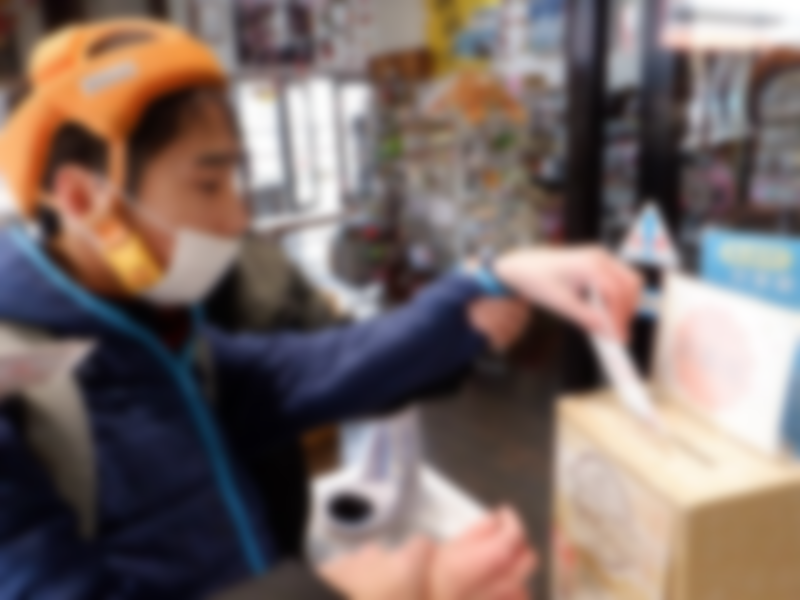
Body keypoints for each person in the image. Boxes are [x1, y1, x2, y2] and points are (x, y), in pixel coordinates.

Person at [0, 18, 641, 600]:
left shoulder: (169, 340)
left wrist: (489, 277)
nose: (237, 217)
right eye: (208, 183)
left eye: (235, 180)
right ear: (80, 199)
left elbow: (323, 362)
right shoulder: (20, 390)